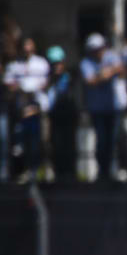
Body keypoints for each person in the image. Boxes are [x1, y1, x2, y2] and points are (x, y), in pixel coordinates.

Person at [80, 33, 126, 181]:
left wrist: (107, 72)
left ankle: (113, 169)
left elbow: (120, 69)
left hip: (113, 107)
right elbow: (91, 80)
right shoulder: (86, 63)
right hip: (97, 109)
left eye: (100, 48)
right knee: (102, 140)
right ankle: (103, 172)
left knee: (113, 140)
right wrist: (104, 74)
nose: (99, 52)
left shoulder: (111, 56)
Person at [5, 36, 50, 177]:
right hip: (21, 110)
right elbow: (9, 84)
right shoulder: (14, 65)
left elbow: (44, 82)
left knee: (39, 142)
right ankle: (23, 171)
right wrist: (21, 88)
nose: (26, 48)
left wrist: (31, 89)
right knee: (20, 144)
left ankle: (40, 171)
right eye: (24, 45)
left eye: (29, 45)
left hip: (37, 109)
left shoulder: (41, 63)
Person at [45, 46, 77, 180]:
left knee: (69, 145)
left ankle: (69, 173)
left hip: (68, 117)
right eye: (53, 64)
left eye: (58, 63)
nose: (56, 67)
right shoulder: (47, 81)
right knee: (55, 146)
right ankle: (58, 172)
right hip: (54, 118)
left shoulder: (68, 79)